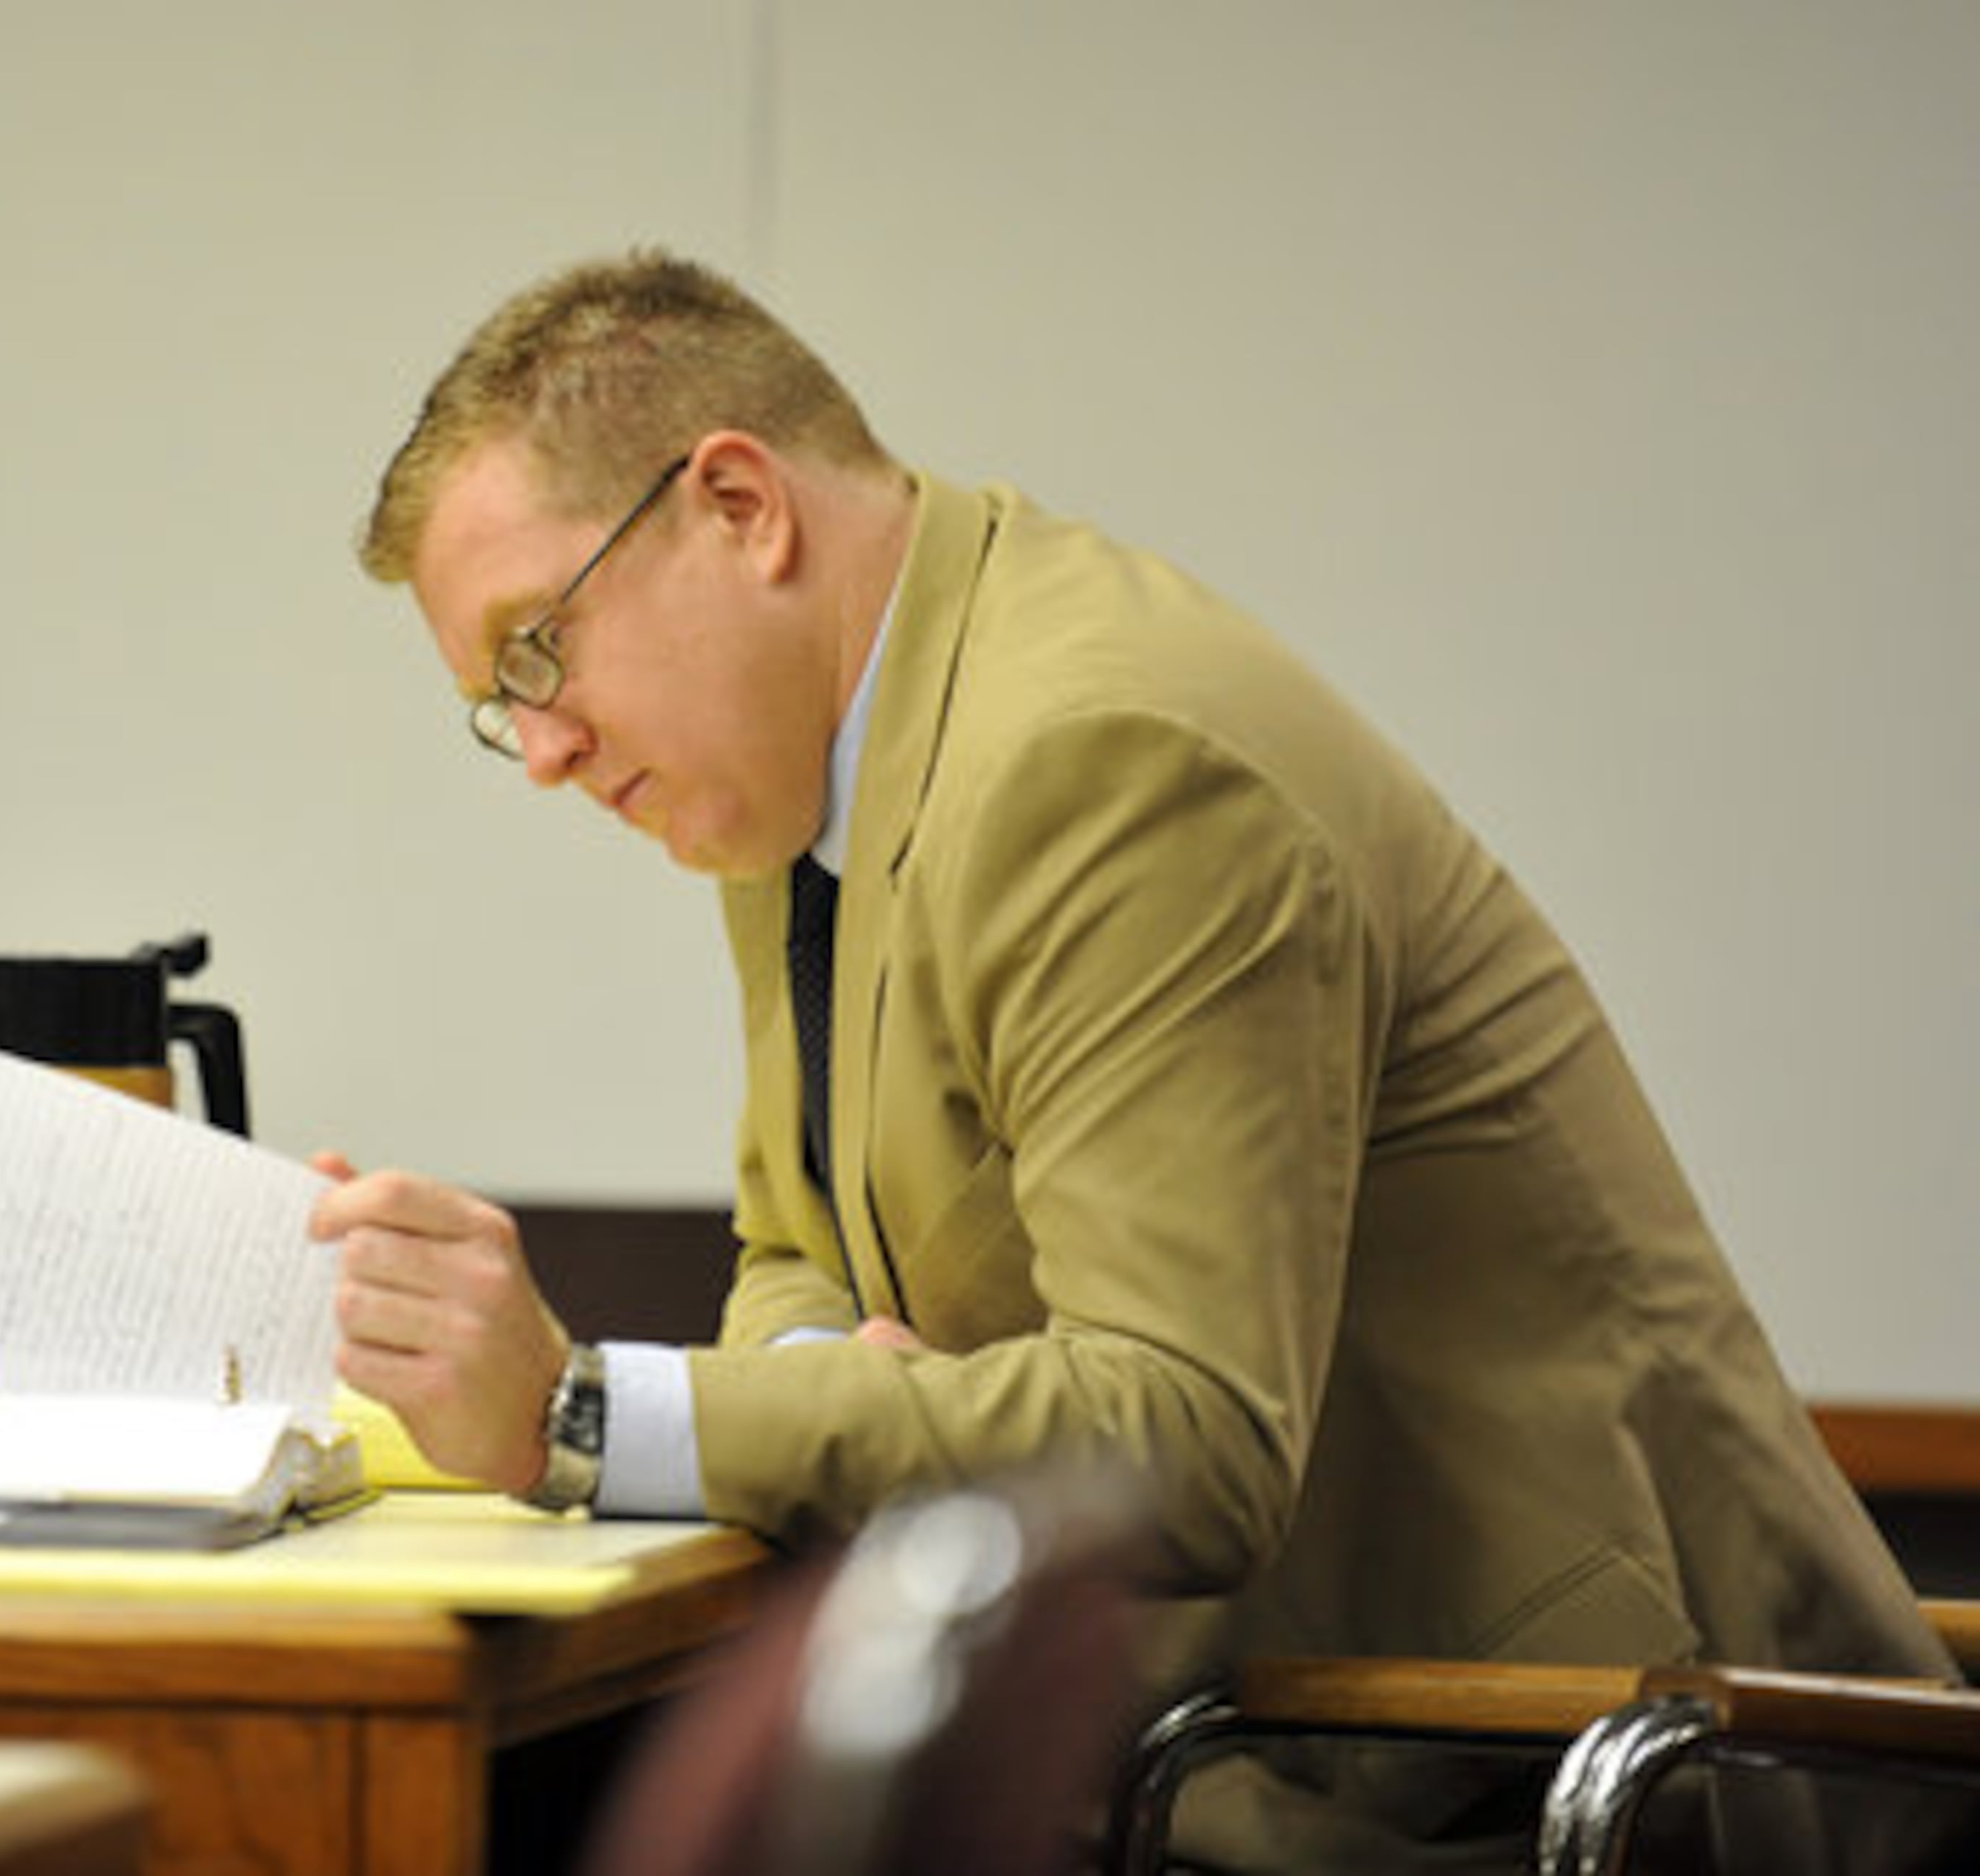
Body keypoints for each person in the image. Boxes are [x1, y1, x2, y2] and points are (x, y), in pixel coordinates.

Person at [312, 250, 1957, 1867]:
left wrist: (586, 1416)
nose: (539, 750)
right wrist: (822, 1387)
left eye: (539, 652)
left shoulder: (1103, 756)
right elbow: (794, 1247)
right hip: (1277, 1745)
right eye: (494, 705)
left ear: (740, 510)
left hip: (1589, 1773)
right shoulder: (807, 780)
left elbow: (1180, 1438)